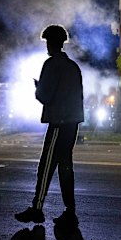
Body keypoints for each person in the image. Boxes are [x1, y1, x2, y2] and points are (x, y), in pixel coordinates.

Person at [15, 24, 84, 229]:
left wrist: (38, 88)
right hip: (72, 124)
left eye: (47, 42)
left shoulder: (52, 64)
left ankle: (37, 209)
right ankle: (70, 211)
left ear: (51, 43)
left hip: (58, 122)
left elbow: (44, 96)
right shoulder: (73, 66)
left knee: (46, 166)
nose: (46, 46)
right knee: (65, 167)